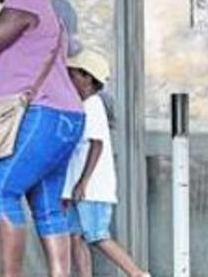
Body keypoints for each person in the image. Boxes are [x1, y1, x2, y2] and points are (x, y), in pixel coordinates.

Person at [0, 0, 86, 277]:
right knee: (48, 207)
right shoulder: (49, 11)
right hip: (67, 118)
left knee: (3, 190)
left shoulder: (22, 4)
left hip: (43, 115)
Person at [61, 51, 149, 277]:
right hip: (76, 188)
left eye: (74, 75)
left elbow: (96, 145)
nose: (70, 79)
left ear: (87, 77)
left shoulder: (93, 105)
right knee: (75, 236)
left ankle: (137, 273)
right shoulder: (81, 106)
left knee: (98, 235)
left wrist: (82, 183)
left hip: (92, 188)